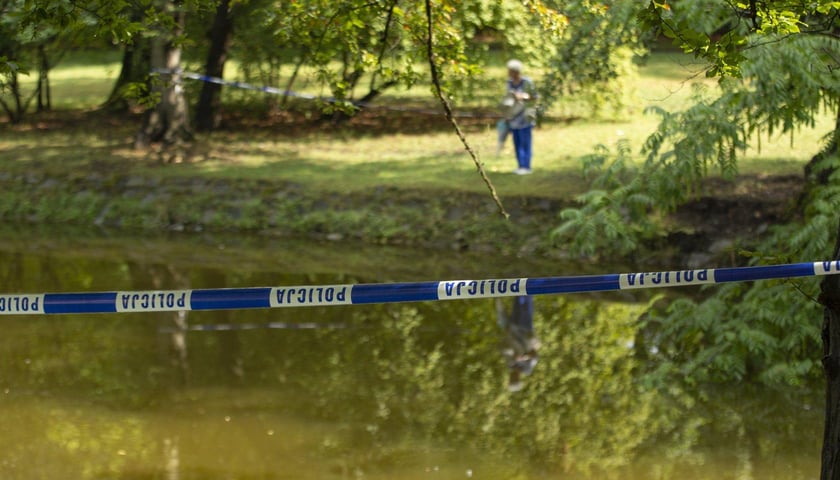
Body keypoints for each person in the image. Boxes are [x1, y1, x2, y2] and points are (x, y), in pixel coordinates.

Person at [496, 295, 540, 392]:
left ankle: (517, 282)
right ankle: (530, 283)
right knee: (526, 300)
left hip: (513, 328)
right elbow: (535, 356)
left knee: (517, 299)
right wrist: (525, 357)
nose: (513, 377)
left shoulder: (510, 364)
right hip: (525, 329)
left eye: (511, 379)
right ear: (519, 379)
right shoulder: (527, 369)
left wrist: (512, 354)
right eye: (514, 379)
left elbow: (504, 350)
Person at [502, 59, 538, 175]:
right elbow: (507, 99)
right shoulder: (509, 83)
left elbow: (535, 97)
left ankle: (526, 166)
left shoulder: (527, 82)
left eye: (510, 71)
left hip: (525, 117)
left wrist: (523, 97)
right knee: (516, 141)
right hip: (513, 117)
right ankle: (520, 165)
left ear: (516, 71)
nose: (509, 73)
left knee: (525, 141)